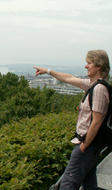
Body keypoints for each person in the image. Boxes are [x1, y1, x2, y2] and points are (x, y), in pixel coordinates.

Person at [34, 50, 110, 189]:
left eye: (89, 63)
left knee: (67, 184)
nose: (86, 66)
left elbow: (97, 121)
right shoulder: (93, 84)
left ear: (98, 66)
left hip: (88, 145)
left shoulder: (99, 89)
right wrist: (48, 71)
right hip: (90, 145)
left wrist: (83, 146)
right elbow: (68, 78)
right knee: (89, 184)